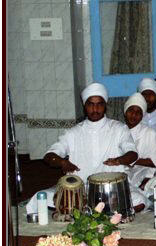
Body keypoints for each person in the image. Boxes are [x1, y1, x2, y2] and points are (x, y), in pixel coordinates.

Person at [26, 83, 140, 214]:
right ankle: (103, 211)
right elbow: (49, 155)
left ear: (105, 106)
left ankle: (87, 210)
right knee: (40, 196)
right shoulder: (73, 133)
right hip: (80, 190)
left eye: (99, 104)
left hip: (111, 189)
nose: (95, 109)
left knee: (138, 199)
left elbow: (133, 153)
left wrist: (119, 160)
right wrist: (63, 162)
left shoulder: (119, 129)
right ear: (85, 106)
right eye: (90, 104)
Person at [124, 92, 156, 210]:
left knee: (140, 199)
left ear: (142, 115)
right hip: (123, 174)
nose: (134, 115)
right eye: (131, 110)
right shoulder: (118, 130)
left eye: (138, 112)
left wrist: (132, 160)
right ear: (125, 112)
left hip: (142, 174)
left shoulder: (150, 133)